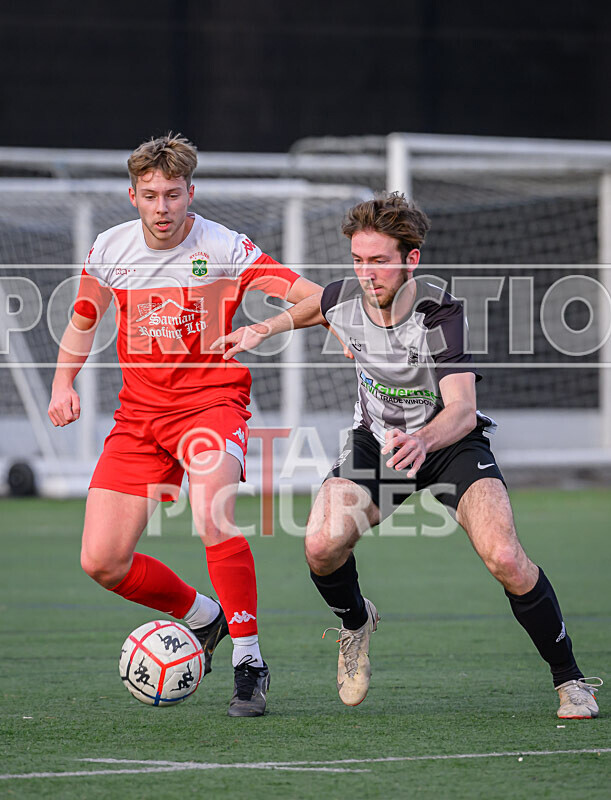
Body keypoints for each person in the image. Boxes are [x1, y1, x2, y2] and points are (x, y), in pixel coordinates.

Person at [213, 192, 602, 719]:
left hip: (447, 444)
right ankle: (356, 624)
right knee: (322, 545)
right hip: (377, 443)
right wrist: (265, 327)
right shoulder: (348, 294)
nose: (366, 274)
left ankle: (571, 680)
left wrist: (423, 441)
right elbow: (318, 303)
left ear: (410, 259)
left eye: (378, 261)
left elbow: (463, 411)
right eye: (357, 260)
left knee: (506, 557)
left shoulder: (438, 312)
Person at [48, 133, 322, 717]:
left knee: (211, 515)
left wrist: (265, 329)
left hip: (210, 406)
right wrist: (62, 382)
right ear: (133, 196)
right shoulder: (109, 249)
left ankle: (249, 659)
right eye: (151, 195)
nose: (163, 207)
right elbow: (83, 316)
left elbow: (315, 299)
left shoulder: (224, 247)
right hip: (139, 418)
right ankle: (205, 616)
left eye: (173, 194)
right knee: (101, 561)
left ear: (190, 193)